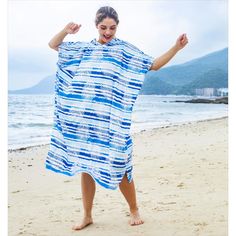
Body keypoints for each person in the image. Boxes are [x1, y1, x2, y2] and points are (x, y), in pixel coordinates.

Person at [46, 6, 188, 231]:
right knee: (86, 167)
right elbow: (54, 45)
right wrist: (65, 31)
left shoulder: (124, 51)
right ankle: (87, 215)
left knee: (120, 165)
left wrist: (176, 48)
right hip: (88, 123)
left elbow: (154, 65)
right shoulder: (84, 49)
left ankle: (134, 210)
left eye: (112, 28)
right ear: (96, 26)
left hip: (112, 123)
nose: (108, 32)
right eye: (103, 27)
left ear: (117, 27)